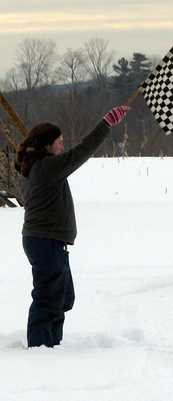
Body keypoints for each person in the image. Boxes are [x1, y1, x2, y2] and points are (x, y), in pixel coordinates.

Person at [15, 105, 130, 347]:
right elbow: (82, 151)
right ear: (48, 145)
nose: (62, 146)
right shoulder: (47, 167)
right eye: (59, 141)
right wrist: (105, 123)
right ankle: (40, 349)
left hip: (50, 242)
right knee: (48, 298)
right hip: (44, 241)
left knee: (64, 297)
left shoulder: (46, 166)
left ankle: (51, 345)